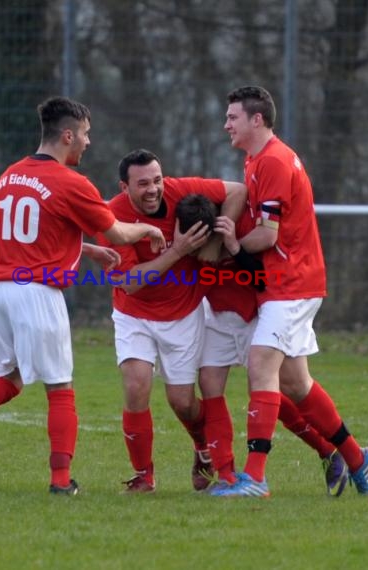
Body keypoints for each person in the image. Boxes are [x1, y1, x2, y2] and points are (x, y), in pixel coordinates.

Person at [0, 96, 167, 496]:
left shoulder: (9, 176)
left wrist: (87, 250)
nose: (88, 142)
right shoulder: (71, 182)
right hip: (37, 293)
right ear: (67, 135)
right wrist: (146, 230)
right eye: (86, 134)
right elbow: (117, 232)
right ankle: (61, 482)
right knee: (60, 387)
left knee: (9, 378)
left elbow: (39, 231)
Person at [208, 85, 368, 497]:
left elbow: (267, 236)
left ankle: (254, 478)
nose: (226, 123)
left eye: (232, 117)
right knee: (296, 384)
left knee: (260, 365)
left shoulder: (273, 161)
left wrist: (230, 245)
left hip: (292, 282)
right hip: (282, 283)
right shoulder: (256, 159)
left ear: (257, 119)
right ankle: (359, 458)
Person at [176, 194, 349, 497]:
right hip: (214, 316)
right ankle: (227, 476)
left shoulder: (241, 229)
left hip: (251, 317)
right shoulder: (184, 233)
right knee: (210, 385)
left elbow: (260, 278)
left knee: (277, 395)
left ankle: (329, 451)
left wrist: (233, 246)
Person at [96, 148, 247, 493]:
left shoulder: (181, 190)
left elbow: (238, 190)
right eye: (143, 184)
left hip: (183, 314)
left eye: (157, 180)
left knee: (182, 401)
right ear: (124, 187)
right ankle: (143, 475)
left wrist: (219, 241)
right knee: (136, 385)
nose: (153, 189)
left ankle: (203, 448)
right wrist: (177, 251)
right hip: (134, 314)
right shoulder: (111, 217)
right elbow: (131, 283)